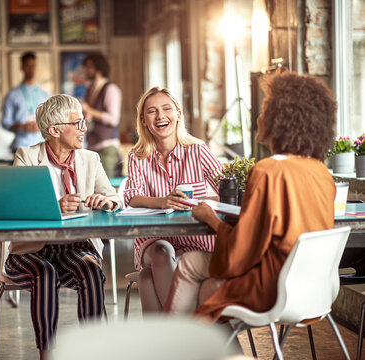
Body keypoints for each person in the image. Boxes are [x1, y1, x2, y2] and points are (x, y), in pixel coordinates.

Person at [163, 72, 337, 321]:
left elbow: (238, 253)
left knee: (190, 263)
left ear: (281, 120)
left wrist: (210, 218)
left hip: (271, 289)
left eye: (265, 109)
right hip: (314, 291)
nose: (258, 117)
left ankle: (173, 346)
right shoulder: (321, 172)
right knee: (203, 283)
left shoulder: (268, 172)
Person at [4, 94, 120, 360]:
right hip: (30, 251)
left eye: (83, 122)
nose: (84, 129)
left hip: (75, 248)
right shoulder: (27, 157)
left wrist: (106, 201)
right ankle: (47, 354)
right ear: (54, 130)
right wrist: (55, 206)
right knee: (44, 274)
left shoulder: (90, 159)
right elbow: (13, 208)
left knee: (90, 269)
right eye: (77, 123)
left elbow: (115, 198)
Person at [123, 86, 223, 313]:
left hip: (196, 241)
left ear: (178, 113)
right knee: (160, 252)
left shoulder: (198, 150)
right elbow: (131, 196)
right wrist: (163, 201)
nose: (160, 116)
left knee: (147, 278)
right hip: (154, 241)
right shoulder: (137, 156)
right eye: (152, 111)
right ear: (144, 120)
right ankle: (184, 330)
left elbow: (229, 191)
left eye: (167, 108)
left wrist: (201, 200)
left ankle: (167, 340)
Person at [81, 52, 122, 177]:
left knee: (106, 189)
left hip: (107, 147)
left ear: (98, 68)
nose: (85, 70)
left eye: (88, 67)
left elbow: (113, 119)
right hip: (92, 146)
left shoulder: (111, 89)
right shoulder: (90, 90)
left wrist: (89, 109)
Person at [1, 51, 51, 151]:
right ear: (22, 67)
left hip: (42, 147)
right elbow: (5, 123)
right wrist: (22, 126)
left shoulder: (45, 95)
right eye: (27, 66)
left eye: (33, 66)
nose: (31, 69)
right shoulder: (12, 95)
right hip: (20, 147)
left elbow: (52, 121)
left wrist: (41, 126)